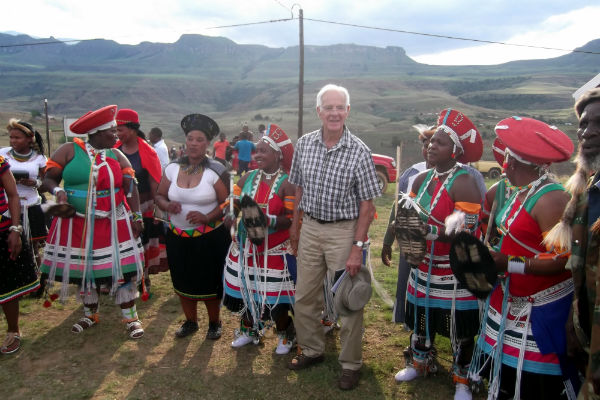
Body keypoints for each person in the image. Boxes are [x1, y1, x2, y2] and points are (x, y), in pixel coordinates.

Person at [468, 117, 576, 400]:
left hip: (540, 309)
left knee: (533, 385)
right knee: (505, 376)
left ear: (513, 163)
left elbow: (561, 260)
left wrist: (509, 263)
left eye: (506, 159)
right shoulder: (519, 192)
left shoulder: (552, 199)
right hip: (510, 299)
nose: (503, 165)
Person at [287, 84, 381, 390]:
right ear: (319, 111)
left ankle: (351, 364)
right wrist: (295, 227)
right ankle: (312, 349)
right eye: (328, 107)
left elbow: (367, 206)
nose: (334, 113)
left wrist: (357, 247)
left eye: (340, 107)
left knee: (348, 301)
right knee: (304, 296)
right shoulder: (304, 145)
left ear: (348, 111)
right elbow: (299, 189)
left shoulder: (360, 152)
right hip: (311, 227)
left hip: (344, 231)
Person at [395, 109, 483, 400]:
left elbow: (468, 234)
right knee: (421, 319)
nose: (432, 145)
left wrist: (431, 233)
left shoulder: (464, 182)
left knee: (461, 326)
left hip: (453, 268)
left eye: (441, 143)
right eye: (432, 141)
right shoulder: (420, 180)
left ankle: (462, 379)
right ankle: (420, 362)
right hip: (423, 266)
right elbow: (408, 219)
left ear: (456, 151)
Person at [40, 105, 146, 339]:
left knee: (122, 270)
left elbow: (132, 187)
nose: (116, 135)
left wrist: (137, 216)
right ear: (98, 132)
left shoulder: (116, 154)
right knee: (84, 270)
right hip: (77, 223)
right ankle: (90, 314)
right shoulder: (69, 150)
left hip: (114, 221)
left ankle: (131, 318)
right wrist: (57, 190)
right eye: (112, 131)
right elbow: (47, 178)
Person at [544, 88, 600, 400]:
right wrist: (576, 317)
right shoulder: (586, 192)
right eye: (582, 124)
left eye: (598, 124)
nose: (587, 133)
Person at [155, 113, 231, 340]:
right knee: (182, 277)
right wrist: (168, 205)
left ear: (207, 143)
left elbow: (227, 203)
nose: (194, 143)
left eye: (199, 139)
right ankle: (190, 322)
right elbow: (159, 195)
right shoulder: (171, 168)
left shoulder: (217, 171)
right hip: (177, 236)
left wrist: (208, 217)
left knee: (209, 280)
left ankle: (214, 323)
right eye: (190, 138)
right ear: (185, 141)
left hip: (209, 237)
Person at [223, 123, 297, 354]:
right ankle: (249, 330)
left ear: (278, 154)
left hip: (275, 251)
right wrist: (230, 216)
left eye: (263, 151)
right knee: (245, 293)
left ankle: (286, 334)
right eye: (257, 151)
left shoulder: (287, 182)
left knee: (276, 301)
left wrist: (269, 221)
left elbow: (292, 218)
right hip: (246, 248)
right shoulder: (247, 177)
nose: (257, 155)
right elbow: (233, 203)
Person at [381, 124, 434, 324]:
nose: (429, 149)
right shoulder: (412, 173)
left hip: (442, 248)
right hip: (411, 245)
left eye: (435, 143)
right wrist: (388, 240)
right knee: (409, 284)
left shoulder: (461, 177)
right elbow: (399, 207)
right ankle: (416, 334)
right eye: (426, 144)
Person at [115, 109, 163, 291]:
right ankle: (121, 277)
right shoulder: (114, 150)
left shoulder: (147, 152)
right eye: (116, 130)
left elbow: (155, 182)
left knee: (141, 242)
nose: (118, 134)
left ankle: (144, 278)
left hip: (143, 206)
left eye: (121, 130)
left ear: (133, 129)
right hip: (118, 205)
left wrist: (158, 209)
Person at [0, 158, 40, 354]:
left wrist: (15, 229)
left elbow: (13, 195)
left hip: (2, 230)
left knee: (6, 284)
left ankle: (12, 330)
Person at [0, 119, 48, 267]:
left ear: (29, 138)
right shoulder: (3, 154)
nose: (13, 141)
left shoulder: (40, 159)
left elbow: (47, 183)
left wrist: (35, 183)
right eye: (11, 137)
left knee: (32, 247)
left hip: (30, 205)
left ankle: (36, 277)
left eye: (17, 138)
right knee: (10, 244)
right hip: (8, 207)